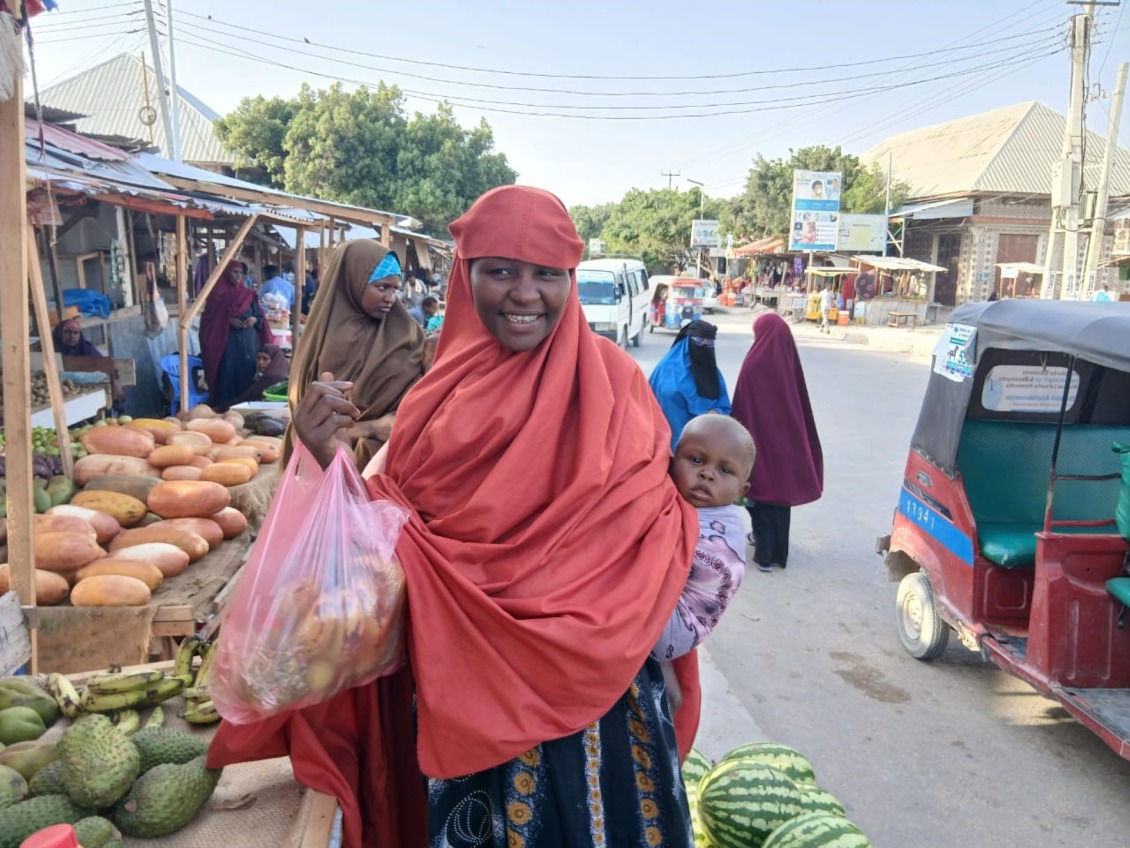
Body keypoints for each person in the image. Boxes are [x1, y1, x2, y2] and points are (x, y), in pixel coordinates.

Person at [209, 185, 699, 848]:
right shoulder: (437, 396)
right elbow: (385, 544)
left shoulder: (616, 384)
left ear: (570, 281)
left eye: (547, 274)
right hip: (464, 695)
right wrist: (325, 457)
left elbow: (655, 527)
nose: (525, 293)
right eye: (500, 270)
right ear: (465, 276)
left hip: (596, 699)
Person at [285, 242, 425, 468]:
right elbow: (309, 418)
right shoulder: (325, 342)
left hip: (393, 465)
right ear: (353, 283)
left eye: (395, 289)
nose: (390, 298)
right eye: (382, 288)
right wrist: (372, 428)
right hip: (333, 466)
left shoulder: (407, 332)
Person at [655, 415, 754, 708]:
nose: (707, 474)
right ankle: (663, 672)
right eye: (696, 460)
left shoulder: (720, 527)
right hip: (682, 629)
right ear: (672, 461)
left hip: (675, 625)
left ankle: (662, 678)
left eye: (725, 470)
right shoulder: (699, 511)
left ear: (741, 492)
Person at [731, 312, 823, 572]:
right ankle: (777, 554)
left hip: (759, 447)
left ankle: (763, 554)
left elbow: (741, 407)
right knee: (780, 500)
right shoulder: (789, 364)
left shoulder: (753, 364)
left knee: (759, 498)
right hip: (785, 448)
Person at [199, 260, 274, 410]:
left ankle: (246, 406)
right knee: (228, 374)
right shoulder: (216, 295)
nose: (238, 276)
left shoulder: (249, 294)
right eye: (235, 272)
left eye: (241, 273)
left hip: (249, 343)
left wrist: (253, 319)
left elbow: (259, 316)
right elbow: (209, 321)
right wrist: (227, 320)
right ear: (226, 273)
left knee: (248, 373)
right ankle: (225, 408)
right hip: (227, 345)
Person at [648, 319, 732, 452]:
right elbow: (648, 406)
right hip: (668, 442)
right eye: (699, 342)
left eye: (709, 343)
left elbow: (724, 405)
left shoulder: (712, 373)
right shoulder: (665, 369)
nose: (704, 346)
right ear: (687, 343)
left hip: (702, 444)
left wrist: (715, 412)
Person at [51, 319, 126, 408]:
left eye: (75, 333)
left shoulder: (87, 348)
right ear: (60, 333)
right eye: (67, 332)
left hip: (84, 394)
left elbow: (105, 365)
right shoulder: (50, 348)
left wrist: (116, 382)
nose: (72, 336)